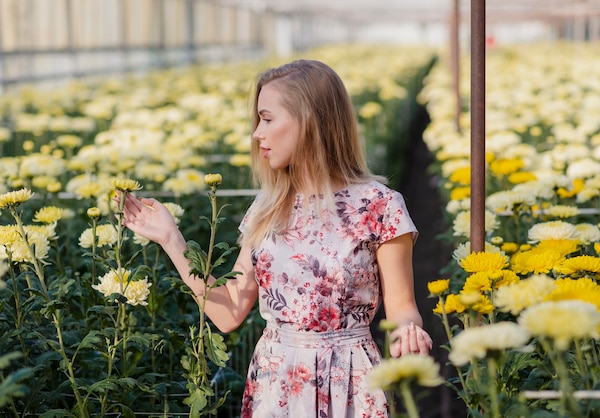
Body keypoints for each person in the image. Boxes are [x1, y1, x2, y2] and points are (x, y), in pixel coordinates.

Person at [119, 59, 433, 418]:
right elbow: (228, 312)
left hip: (351, 381)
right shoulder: (267, 206)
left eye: (267, 119)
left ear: (310, 121)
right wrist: (171, 238)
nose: (257, 133)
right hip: (277, 381)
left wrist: (408, 332)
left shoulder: (379, 204)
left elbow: (403, 307)